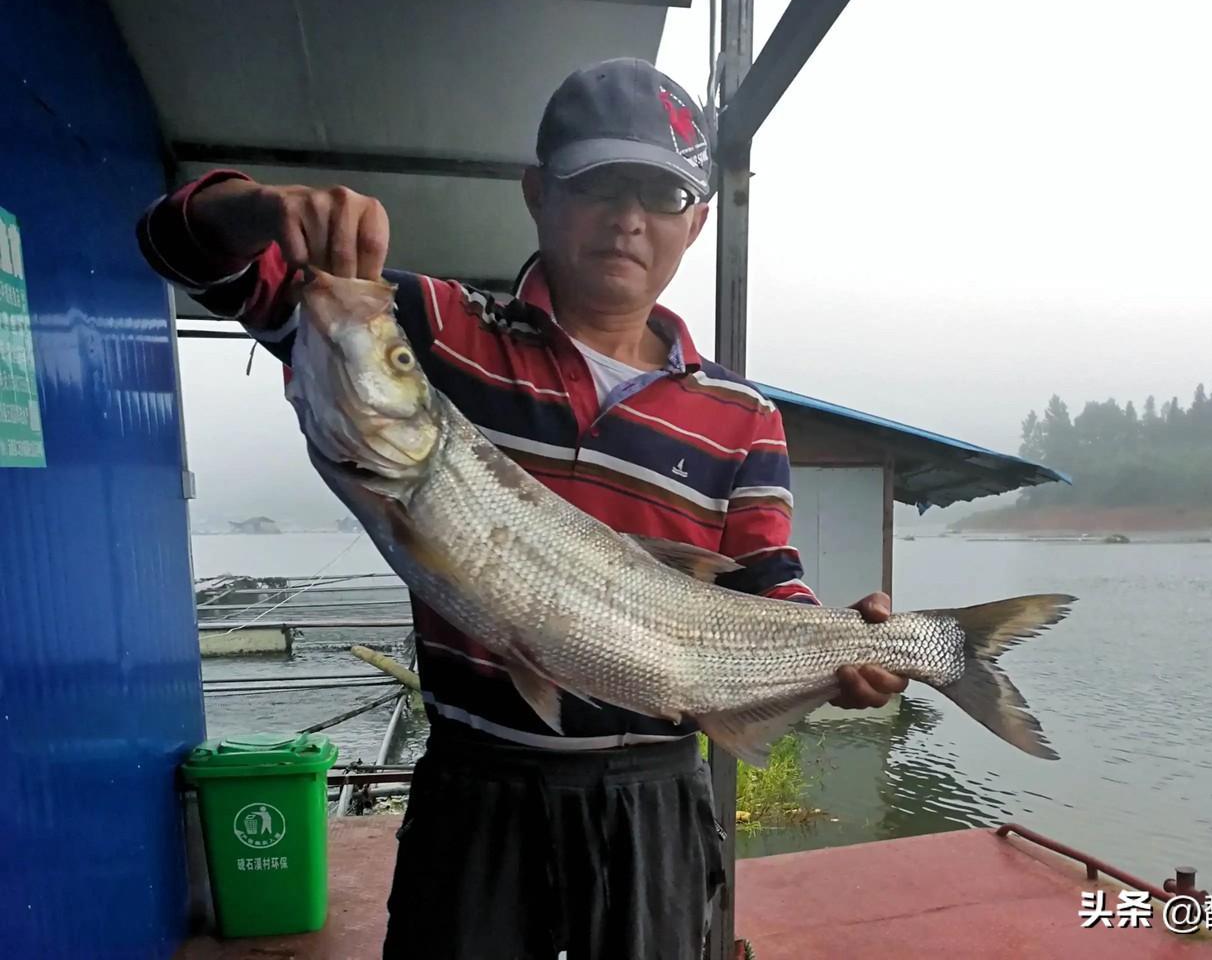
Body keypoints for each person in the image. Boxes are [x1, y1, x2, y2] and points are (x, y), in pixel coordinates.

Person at [137, 57, 906, 958]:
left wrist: (850, 650)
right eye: (599, 184)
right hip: (477, 791)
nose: (628, 219)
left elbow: (769, 589)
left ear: (696, 224)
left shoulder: (744, 418)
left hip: (652, 798)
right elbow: (178, 248)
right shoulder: (427, 330)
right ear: (539, 192)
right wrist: (259, 210)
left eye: (660, 196)